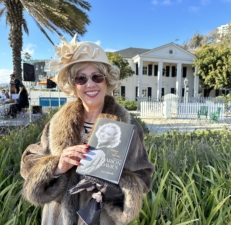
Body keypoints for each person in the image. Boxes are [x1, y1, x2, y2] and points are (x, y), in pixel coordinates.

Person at [20, 34, 155, 225]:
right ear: (74, 86)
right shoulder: (57, 123)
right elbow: (28, 163)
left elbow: (143, 176)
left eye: (97, 76)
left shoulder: (128, 126)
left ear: (107, 81)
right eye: (81, 78)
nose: (90, 84)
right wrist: (57, 166)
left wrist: (109, 184)